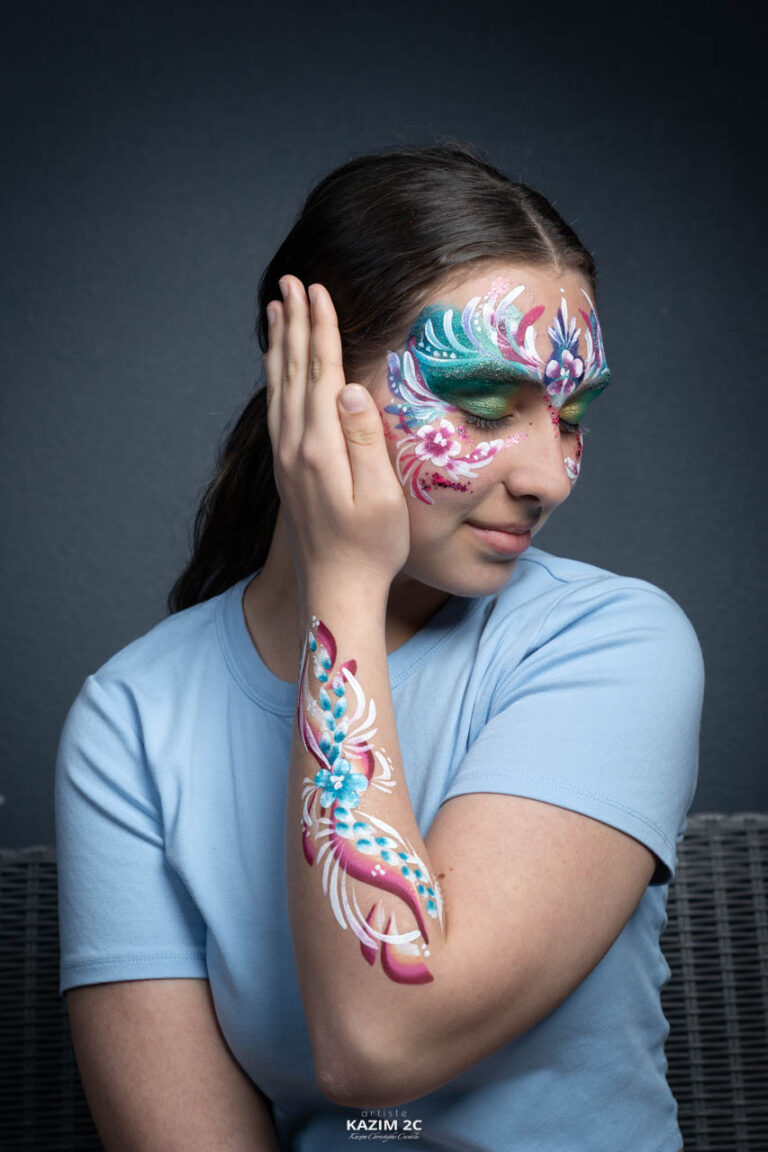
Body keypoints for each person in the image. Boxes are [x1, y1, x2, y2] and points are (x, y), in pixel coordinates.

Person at [55, 142, 701, 1152]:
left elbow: (380, 1044)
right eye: (486, 403)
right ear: (307, 382)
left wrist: (343, 587)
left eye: (572, 414)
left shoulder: (613, 643)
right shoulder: (131, 718)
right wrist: (344, 579)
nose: (550, 475)